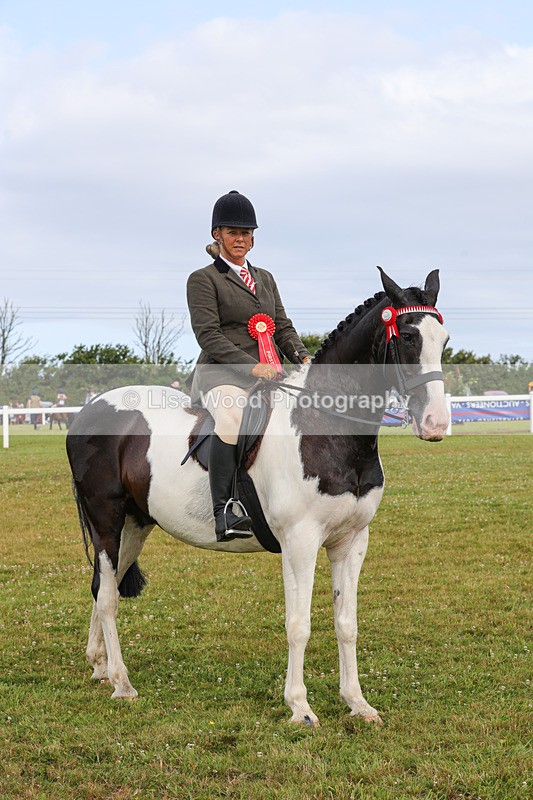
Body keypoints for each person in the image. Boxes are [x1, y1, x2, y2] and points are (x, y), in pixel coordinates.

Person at [187, 190, 311, 542]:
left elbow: (282, 326)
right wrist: (251, 367)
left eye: (245, 233)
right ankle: (224, 509)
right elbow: (208, 335)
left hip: (271, 372)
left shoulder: (266, 278)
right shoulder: (203, 279)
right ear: (217, 235)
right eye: (231, 232)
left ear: (253, 238)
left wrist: (302, 357)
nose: (239, 239)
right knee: (232, 416)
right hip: (220, 374)